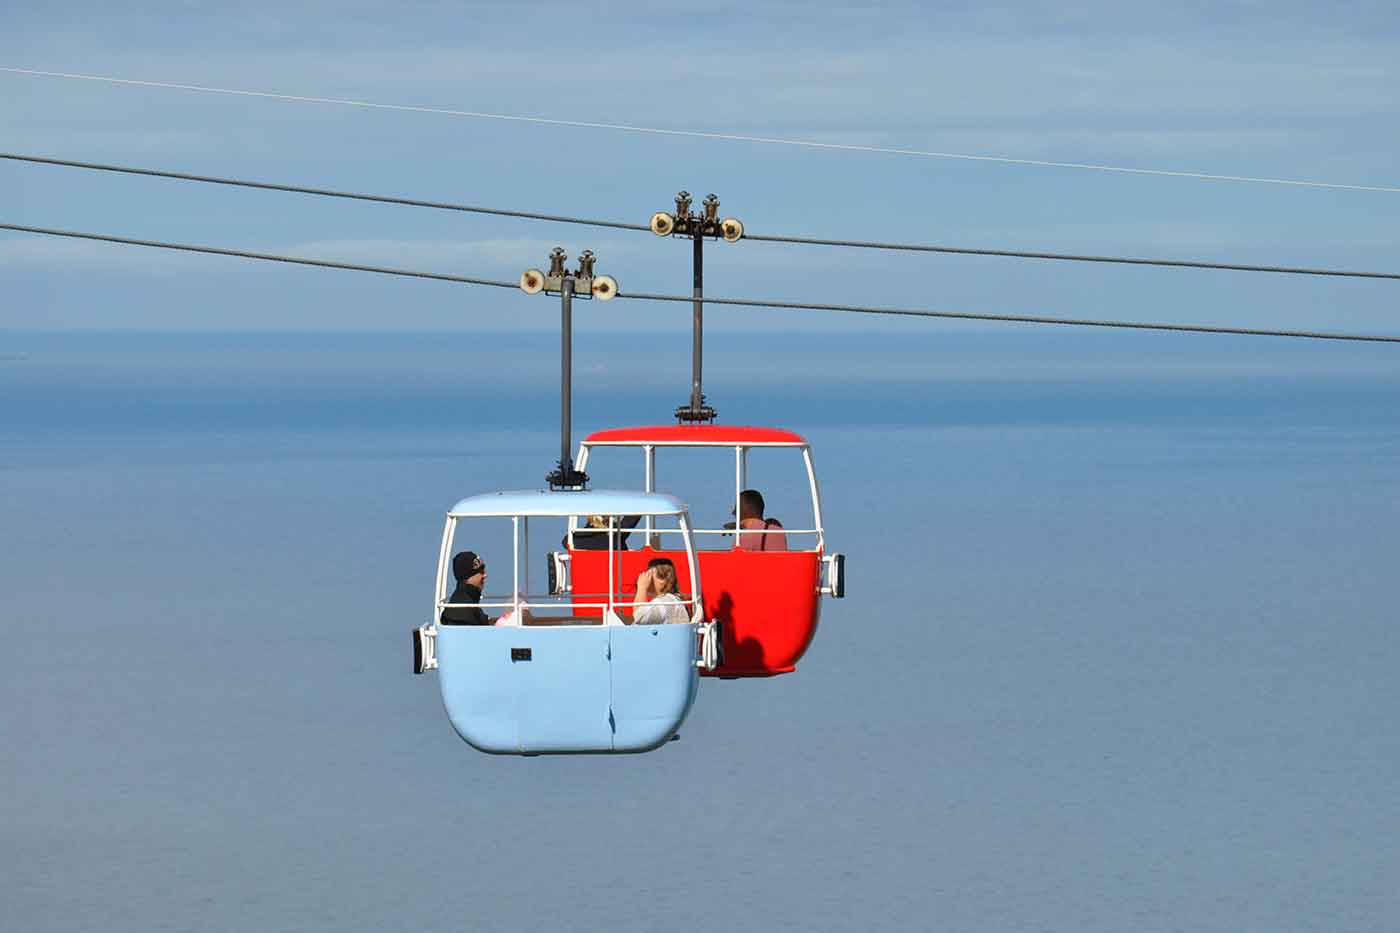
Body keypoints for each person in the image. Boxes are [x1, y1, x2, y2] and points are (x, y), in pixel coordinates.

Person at [629, 558, 690, 625]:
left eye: (649, 575)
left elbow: (640, 618)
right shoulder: (668, 599)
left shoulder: (667, 601)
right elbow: (637, 617)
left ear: (662, 580)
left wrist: (642, 588)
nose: (645, 578)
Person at [440, 550, 492, 625]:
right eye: (481, 572)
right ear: (468, 578)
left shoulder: (467, 601)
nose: (485, 575)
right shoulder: (461, 609)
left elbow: (484, 621)